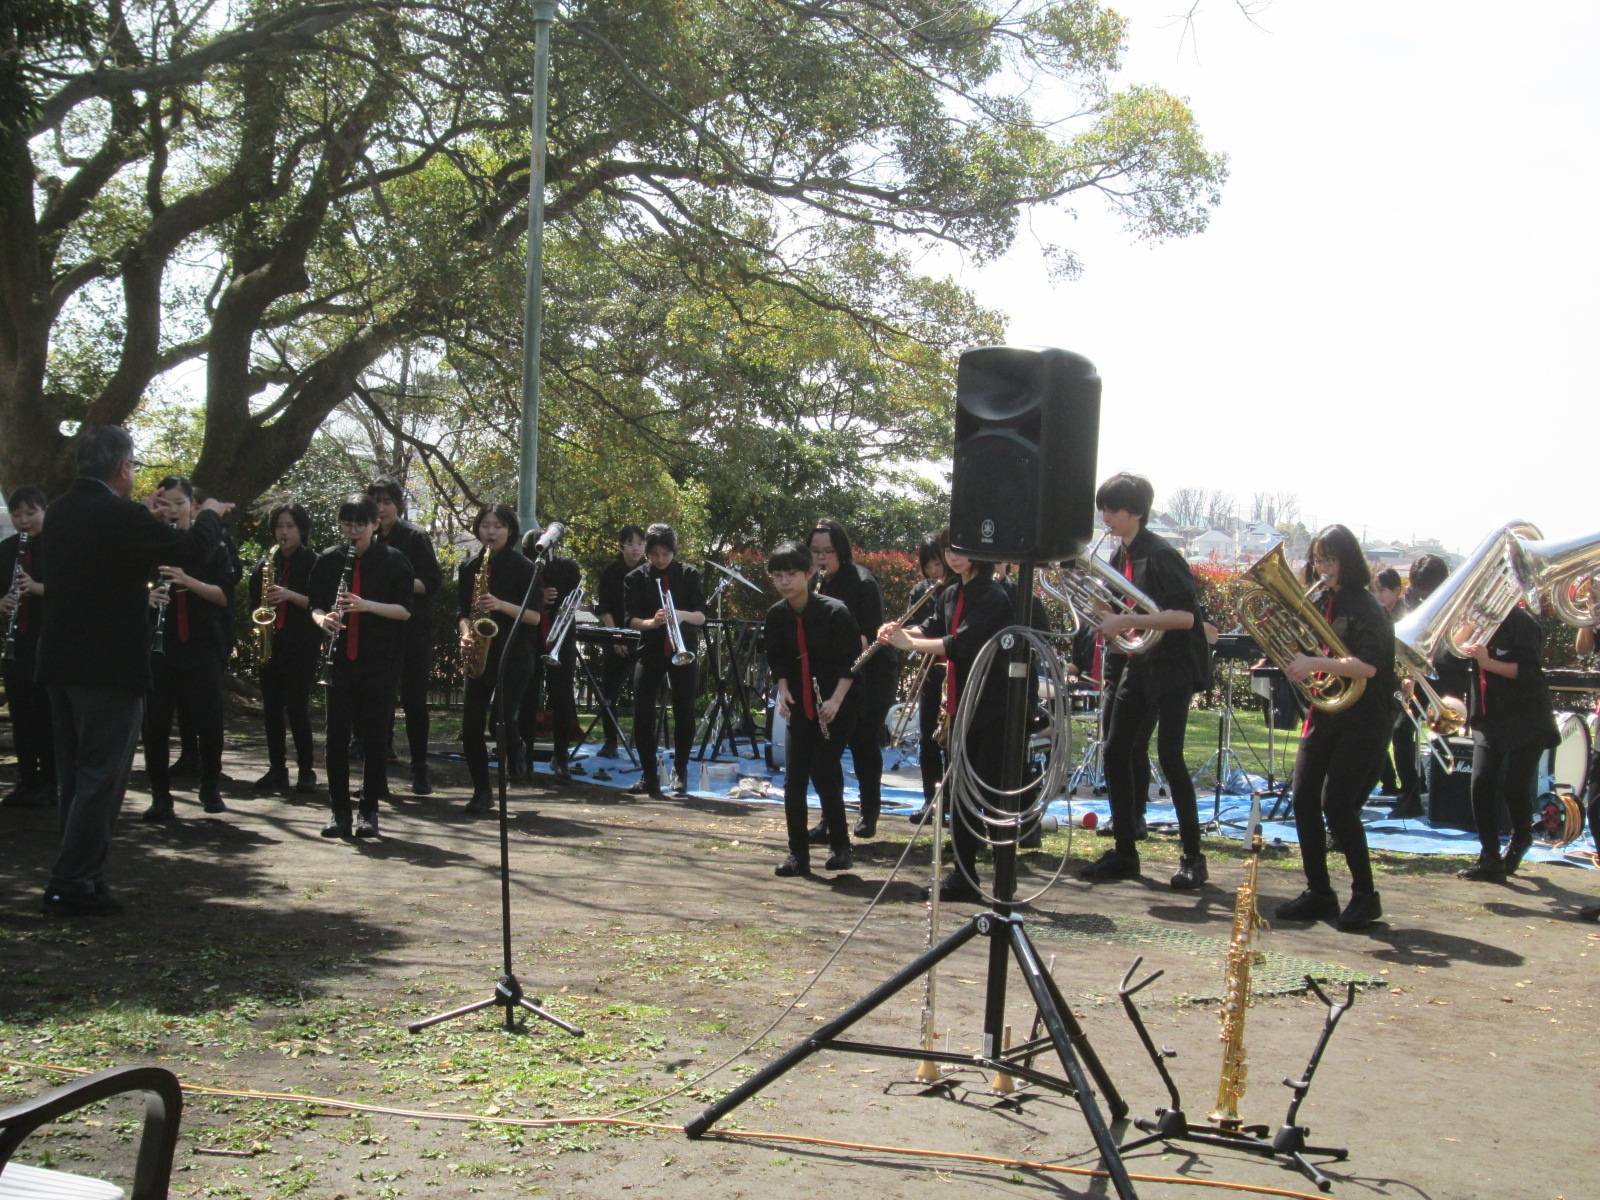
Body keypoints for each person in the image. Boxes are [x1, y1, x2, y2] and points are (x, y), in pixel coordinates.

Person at [36, 426, 232, 915]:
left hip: (60, 661)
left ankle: (82, 872)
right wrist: (208, 515)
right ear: (123, 469)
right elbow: (188, 552)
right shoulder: (117, 514)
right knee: (102, 775)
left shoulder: (59, 510)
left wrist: (143, 519)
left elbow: (104, 562)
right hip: (107, 667)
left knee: (75, 777)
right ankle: (71, 881)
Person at [1077, 474, 1209, 889]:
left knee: (1170, 756)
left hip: (1173, 666)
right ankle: (1125, 850)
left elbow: (1186, 618)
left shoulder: (1162, 555)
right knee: (1116, 750)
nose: (1107, 518)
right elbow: (1115, 609)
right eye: (1104, 509)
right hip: (1139, 662)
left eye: (1113, 510)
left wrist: (1129, 620)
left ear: (1135, 512)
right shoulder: (1120, 557)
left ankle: (1193, 856)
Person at [1275, 524, 1396, 932]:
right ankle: (1320, 892)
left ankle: (1366, 896)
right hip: (1324, 714)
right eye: (1316, 559)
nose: (1320, 567)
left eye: (1328, 559)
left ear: (1347, 561)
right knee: (1303, 798)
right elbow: (1314, 652)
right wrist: (1296, 657)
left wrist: (1315, 664)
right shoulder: (1321, 600)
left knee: (1338, 804)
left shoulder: (1366, 607)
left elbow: (1369, 665)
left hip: (1363, 719)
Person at [881, 529, 1011, 904]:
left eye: (960, 551)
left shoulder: (993, 595)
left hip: (990, 704)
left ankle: (1003, 879)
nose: (953, 558)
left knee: (989, 792)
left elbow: (960, 643)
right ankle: (964, 875)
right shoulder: (951, 592)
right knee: (958, 791)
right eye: (948, 551)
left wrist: (910, 643)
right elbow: (933, 628)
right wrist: (897, 632)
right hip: (957, 702)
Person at [310, 495, 414, 839]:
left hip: (379, 661)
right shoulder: (328, 561)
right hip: (340, 661)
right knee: (336, 737)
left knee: (373, 738)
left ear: (374, 524)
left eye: (360, 524)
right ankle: (339, 810)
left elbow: (404, 611)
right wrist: (322, 618)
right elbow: (314, 605)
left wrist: (366, 605)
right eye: (347, 524)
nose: (353, 531)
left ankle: (369, 810)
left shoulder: (394, 561)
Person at [141, 475, 240, 820]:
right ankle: (160, 795)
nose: (174, 512)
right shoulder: (150, 543)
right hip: (161, 648)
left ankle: (210, 785)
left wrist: (188, 581)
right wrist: (146, 597)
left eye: (180, 504)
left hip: (201, 644)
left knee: (209, 719)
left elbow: (224, 596)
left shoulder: (211, 543)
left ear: (192, 506)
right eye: (166, 504)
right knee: (155, 723)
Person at [764, 541, 859, 876]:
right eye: (778, 575)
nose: (785, 581)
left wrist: (834, 700)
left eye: (791, 574)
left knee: (824, 771)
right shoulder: (777, 615)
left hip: (836, 703)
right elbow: (777, 660)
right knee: (794, 779)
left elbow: (852, 663)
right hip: (801, 703)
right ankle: (797, 855)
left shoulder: (836, 612)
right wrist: (784, 690)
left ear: (808, 573)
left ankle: (841, 846)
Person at [1455, 603, 1558, 882]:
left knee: (1515, 786)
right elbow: (1453, 648)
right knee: (1481, 782)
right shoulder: (1476, 620)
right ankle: (1489, 856)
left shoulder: (1522, 622)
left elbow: (1529, 672)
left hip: (1526, 719)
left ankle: (1521, 838)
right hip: (1489, 718)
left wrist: (1488, 663)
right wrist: (1466, 626)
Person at [808, 520, 895, 839]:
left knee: (863, 742)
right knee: (826, 749)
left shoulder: (861, 582)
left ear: (841, 550)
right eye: (815, 551)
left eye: (827, 551)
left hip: (872, 674)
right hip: (837, 674)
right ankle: (830, 818)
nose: (820, 558)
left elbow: (868, 639)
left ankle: (868, 812)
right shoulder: (818, 583)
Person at [457, 505, 543, 814]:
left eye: (498, 526)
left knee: (500, 721)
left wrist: (501, 604)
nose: (490, 532)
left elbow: (533, 617)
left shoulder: (525, 567)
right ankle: (482, 790)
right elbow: (463, 613)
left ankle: (515, 745)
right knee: (470, 726)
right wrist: (466, 633)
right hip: (480, 650)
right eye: (485, 526)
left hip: (514, 653)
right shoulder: (469, 567)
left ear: (510, 530)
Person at [368, 477, 442, 796]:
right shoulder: (365, 538)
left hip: (412, 631)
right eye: (376, 502)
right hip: (376, 632)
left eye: (387, 502)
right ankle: (378, 767)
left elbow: (432, 583)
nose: (381, 508)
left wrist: (395, 582)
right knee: (377, 701)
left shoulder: (414, 537)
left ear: (398, 505)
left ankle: (420, 768)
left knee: (414, 701)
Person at [623, 524, 706, 796]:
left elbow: (701, 616)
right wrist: (652, 621)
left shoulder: (689, 574)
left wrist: (679, 615)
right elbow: (631, 620)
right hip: (651, 648)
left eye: (665, 554)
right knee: (642, 710)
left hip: (683, 648)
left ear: (673, 551)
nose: (660, 559)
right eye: (654, 554)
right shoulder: (636, 578)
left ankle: (680, 771)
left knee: (684, 710)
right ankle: (649, 775)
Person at [250, 503, 320, 794]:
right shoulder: (266, 564)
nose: (284, 532)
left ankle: (307, 770)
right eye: (280, 526)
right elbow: (253, 606)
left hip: (301, 644)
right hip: (272, 643)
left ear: (301, 529)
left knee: (296, 707)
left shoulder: (314, 562)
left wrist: (289, 595)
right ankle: (277, 768)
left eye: (290, 526)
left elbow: (320, 603)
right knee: (272, 710)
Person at [1, 486, 52, 807]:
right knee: (21, 714)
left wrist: (37, 587)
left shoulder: (60, 547)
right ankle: (27, 779)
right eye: (17, 515)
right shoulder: (6, 550)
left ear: (45, 512)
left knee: (48, 713)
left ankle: (52, 780)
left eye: (31, 513)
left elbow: (76, 591)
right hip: (16, 643)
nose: (23, 521)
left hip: (50, 641)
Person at [519, 536, 583, 780]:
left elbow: (574, 596)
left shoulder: (566, 568)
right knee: (528, 695)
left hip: (560, 637)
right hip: (530, 637)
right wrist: (538, 597)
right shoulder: (523, 568)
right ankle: (525, 756)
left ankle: (561, 756)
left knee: (563, 697)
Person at [906, 535, 949, 823]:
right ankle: (930, 801)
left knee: (953, 739)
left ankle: (954, 801)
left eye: (938, 563)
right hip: (931, 669)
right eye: (928, 565)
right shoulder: (921, 591)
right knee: (927, 737)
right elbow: (915, 627)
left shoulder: (960, 589)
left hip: (955, 670)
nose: (934, 570)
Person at [593, 524, 646, 758]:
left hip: (642, 638)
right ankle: (610, 741)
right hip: (615, 636)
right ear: (621, 545)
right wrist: (615, 636)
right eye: (631, 543)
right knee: (608, 692)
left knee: (644, 691)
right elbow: (604, 608)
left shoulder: (649, 571)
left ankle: (642, 741)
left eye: (640, 543)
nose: (636, 548)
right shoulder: (611, 572)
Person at [1372, 567, 1405, 796]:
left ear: (1397, 591)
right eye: (1375, 591)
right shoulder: (1376, 614)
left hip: (1401, 683)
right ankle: (1389, 782)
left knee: (1400, 736)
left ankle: (1411, 784)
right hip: (1382, 682)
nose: (1378, 596)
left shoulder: (1405, 615)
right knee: (1375, 734)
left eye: (1382, 591)